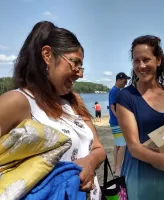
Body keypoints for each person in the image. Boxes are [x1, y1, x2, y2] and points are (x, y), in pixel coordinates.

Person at [0, 21, 106, 199]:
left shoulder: (73, 101)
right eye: (75, 63)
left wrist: (88, 163)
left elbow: (98, 148)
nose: (80, 74)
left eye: (81, 66)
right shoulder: (18, 101)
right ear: (48, 55)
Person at [115, 35, 164, 200]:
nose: (141, 66)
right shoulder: (126, 97)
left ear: (159, 61)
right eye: (136, 61)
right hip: (140, 176)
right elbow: (134, 148)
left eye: (146, 59)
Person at [108, 72, 130, 177]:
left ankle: (115, 168)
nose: (125, 84)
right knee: (123, 145)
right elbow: (112, 106)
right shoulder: (114, 91)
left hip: (114, 122)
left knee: (117, 145)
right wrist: (120, 118)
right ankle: (118, 169)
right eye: (125, 81)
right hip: (116, 123)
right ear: (119, 80)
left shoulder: (116, 90)